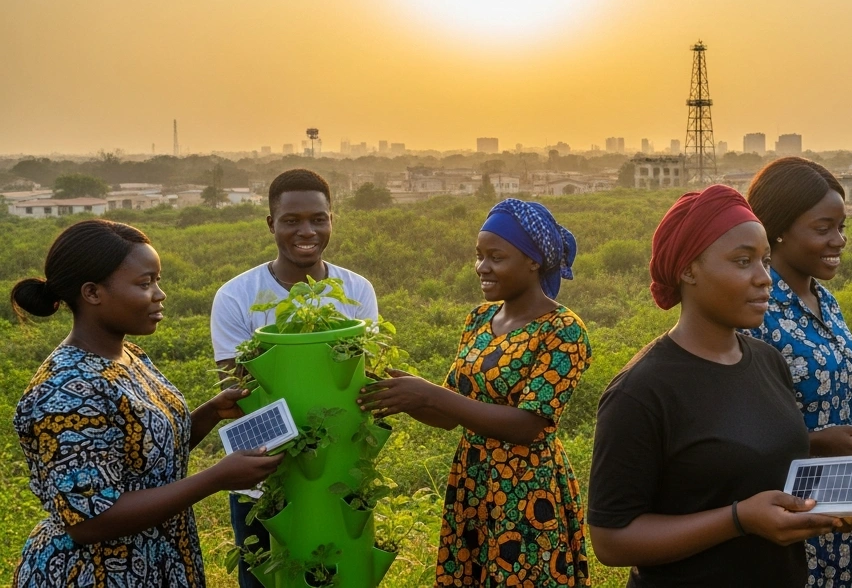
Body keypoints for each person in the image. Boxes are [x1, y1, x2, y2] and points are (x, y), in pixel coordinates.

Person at [588, 185, 846, 587]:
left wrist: (830, 505)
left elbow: (763, 468)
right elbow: (611, 539)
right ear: (688, 269)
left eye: (764, 261)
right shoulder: (641, 392)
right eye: (743, 261)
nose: (764, 280)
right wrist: (739, 520)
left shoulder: (767, 361)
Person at [10, 220, 282, 587]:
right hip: (96, 573)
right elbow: (91, 521)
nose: (160, 294)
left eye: (157, 280)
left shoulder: (128, 357)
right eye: (144, 283)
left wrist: (211, 413)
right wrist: (216, 478)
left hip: (156, 562)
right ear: (92, 293)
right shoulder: (64, 393)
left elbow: (143, 459)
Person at [357, 199, 591, 586]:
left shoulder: (563, 330)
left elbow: (528, 425)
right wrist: (398, 390)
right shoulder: (481, 319)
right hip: (473, 481)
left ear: (533, 261)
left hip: (526, 488)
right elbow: (450, 414)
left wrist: (429, 394)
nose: (482, 267)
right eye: (479, 256)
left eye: (496, 257)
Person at [742, 156, 852, 588]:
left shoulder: (824, 299)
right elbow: (740, 428)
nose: (839, 240)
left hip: (841, 503)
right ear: (777, 229)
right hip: (790, 512)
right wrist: (819, 442)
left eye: (842, 227)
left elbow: (813, 395)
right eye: (823, 229)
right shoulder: (756, 311)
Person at [210, 168, 378, 588]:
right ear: (271, 224)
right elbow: (241, 390)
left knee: (345, 575)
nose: (307, 231)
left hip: (339, 475)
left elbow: (363, 378)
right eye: (292, 220)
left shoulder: (356, 291)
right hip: (264, 481)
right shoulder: (236, 296)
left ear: (331, 219)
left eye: (318, 219)